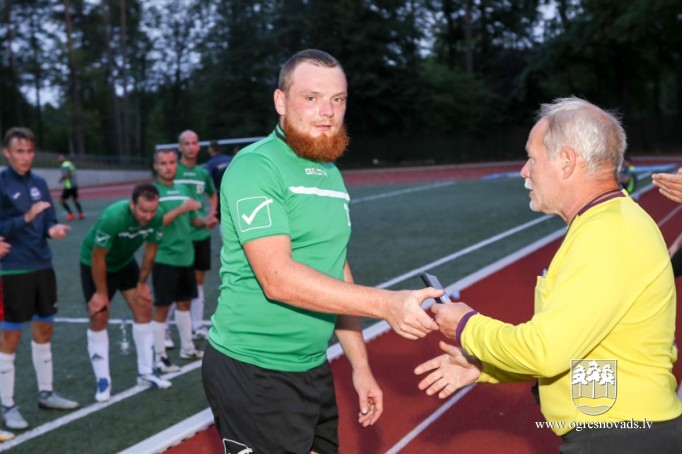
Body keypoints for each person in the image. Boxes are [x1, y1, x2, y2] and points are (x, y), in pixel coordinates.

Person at [202, 49, 441, 453]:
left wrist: (360, 367)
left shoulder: (330, 172)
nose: (327, 111)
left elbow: (336, 268)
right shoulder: (255, 166)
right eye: (311, 98)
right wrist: (385, 304)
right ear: (281, 101)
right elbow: (277, 279)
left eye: (338, 99)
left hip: (311, 365)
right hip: (253, 368)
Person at [414, 97, 682, 452]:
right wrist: (486, 368)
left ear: (566, 161)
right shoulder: (606, 224)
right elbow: (580, 349)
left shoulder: (607, 234)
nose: (524, 171)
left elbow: (548, 351)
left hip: (620, 437)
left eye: (532, 158)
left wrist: (465, 326)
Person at [0, 127, 79, 431]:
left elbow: (48, 220)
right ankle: (7, 406)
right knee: (10, 337)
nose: (26, 156)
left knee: (44, 330)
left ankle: (46, 394)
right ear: (7, 153)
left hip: (42, 265)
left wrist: (52, 229)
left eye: (30, 151)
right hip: (13, 269)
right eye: (20, 151)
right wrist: (26, 218)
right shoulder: (2, 182)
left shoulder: (40, 183)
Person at [80, 183, 171, 402]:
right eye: (143, 210)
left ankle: (146, 372)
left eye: (152, 211)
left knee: (143, 306)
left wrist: (142, 283)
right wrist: (101, 293)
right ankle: (103, 380)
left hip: (124, 263)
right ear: (132, 204)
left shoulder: (157, 216)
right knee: (99, 315)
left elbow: (150, 251)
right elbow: (98, 257)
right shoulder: (113, 218)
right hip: (95, 263)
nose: (148, 216)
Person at [151, 148, 213, 373]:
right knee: (161, 308)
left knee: (184, 303)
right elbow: (155, 223)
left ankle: (187, 348)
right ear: (156, 166)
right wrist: (181, 209)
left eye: (171, 163)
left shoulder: (183, 189)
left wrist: (205, 221)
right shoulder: (153, 192)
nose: (168, 167)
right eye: (163, 163)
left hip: (186, 257)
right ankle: (159, 356)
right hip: (164, 257)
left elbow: (193, 219)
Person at [174, 130, 217, 341]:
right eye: (186, 143)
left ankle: (197, 325)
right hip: (179, 235)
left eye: (194, 143)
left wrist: (211, 214)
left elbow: (213, 194)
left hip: (200, 234)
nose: (191, 147)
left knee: (199, 280)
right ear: (180, 147)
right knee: (176, 281)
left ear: (199, 146)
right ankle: (166, 331)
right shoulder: (173, 170)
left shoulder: (202, 173)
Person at [203, 140, 233, 222]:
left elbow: (205, 177)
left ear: (211, 149)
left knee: (223, 218)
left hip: (221, 193)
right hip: (234, 190)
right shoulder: (229, 159)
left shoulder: (211, 163)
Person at [58, 154, 84, 221]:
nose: (59, 159)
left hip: (69, 186)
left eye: (60, 158)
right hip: (75, 184)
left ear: (64, 158)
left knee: (62, 200)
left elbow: (66, 175)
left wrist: (61, 179)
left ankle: (70, 213)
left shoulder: (64, 165)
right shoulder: (70, 164)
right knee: (75, 199)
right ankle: (81, 213)